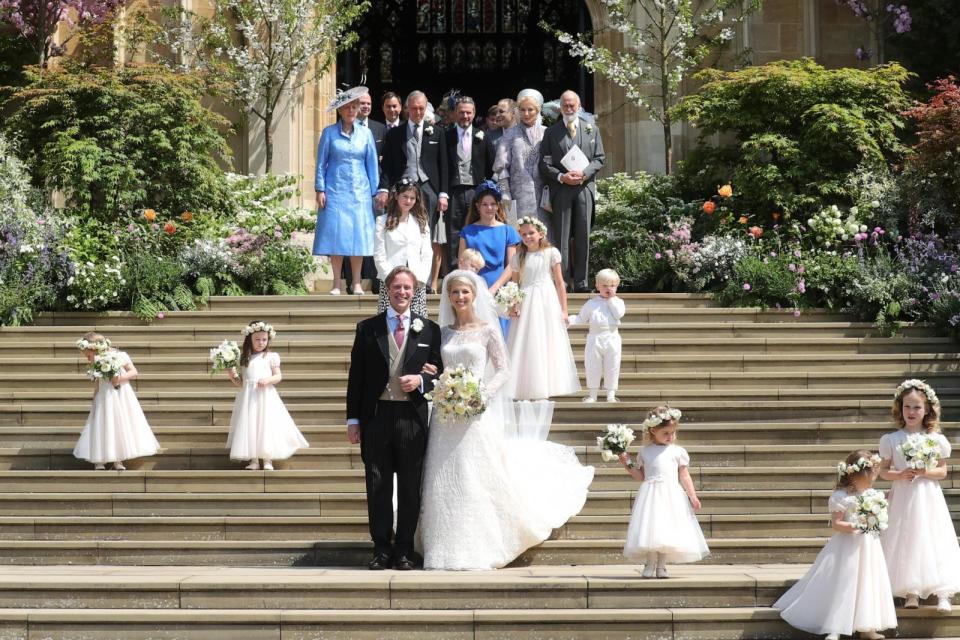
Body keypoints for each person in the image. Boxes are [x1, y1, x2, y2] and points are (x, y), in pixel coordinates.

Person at [417, 270, 594, 570]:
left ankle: (478, 544)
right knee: (442, 475)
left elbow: (503, 368)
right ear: (448, 297)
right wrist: (438, 383)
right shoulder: (441, 333)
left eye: (465, 292)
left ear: (474, 295)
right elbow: (434, 366)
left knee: (475, 474)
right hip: (446, 414)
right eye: (454, 292)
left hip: (475, 410)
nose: (459, 297)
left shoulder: (487, 330)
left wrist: (481, 393)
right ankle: (441, 546)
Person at [346, 266, 443, 570]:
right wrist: (353, 420)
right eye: (397, 287)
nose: (402, 292)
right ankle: (381, 548)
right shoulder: (367, 328)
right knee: (377, 484)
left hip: (411, 417)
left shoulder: (429, 329)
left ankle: (403, 549)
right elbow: (356, 377)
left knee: (410, 486)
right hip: (376, 416)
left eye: (407, 288)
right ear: (386, 291)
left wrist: (422, 382)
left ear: (414, 293)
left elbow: (438, 373)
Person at [774, 450, 897, 640]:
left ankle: (867, 626)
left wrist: (876, 522)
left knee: (868, 582)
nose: (873, 478)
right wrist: (857, 525)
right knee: (844, 583)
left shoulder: (874, 494)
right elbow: (837, 525)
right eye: (870, 474)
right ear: (855, 474)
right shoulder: (841, 496)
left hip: (869, 546)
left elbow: (878, 516)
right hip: (847, 547)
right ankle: (835, 626)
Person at [879, 379, 959, 612]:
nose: (911, 412)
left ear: (927, 410)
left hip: (927, 495)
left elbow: (942, 471)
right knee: (907, 539)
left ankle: (943, 592)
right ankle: (910, 592)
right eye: (907, 406)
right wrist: (900, 474)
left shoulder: (935, 439)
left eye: (917, 407)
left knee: (932, 537)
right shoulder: (892, 440)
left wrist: (925, 471)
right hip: (903, 494)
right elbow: (883, 472)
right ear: (900, 409)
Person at [492, 216, 579, 400]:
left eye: (531, 233)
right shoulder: (518, 257)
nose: (527, 237)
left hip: (546, 300)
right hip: (526, 300)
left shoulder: (550, 253)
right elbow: (514, 285)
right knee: (528, 340)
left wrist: (564, 310)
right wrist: (514, 306)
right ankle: (526, 385)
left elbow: (560, 284)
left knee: (545, 340)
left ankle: (546, 384)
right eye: (523, 234)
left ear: (540, 233)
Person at [619, 407, 708, 578]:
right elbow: (640, 475)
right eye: (666, 433)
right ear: (653, 430)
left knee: (667, 528)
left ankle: (662, 566)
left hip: (670, 494)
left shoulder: (677, 451)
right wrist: (626, 462)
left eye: (673, 433)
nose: (671, 436)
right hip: (651, 494)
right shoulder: (645, 451)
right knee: (651, 528)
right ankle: (649, 564)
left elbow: (684, 475)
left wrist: (692, 495)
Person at [378, 90, 449, 293]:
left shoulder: (436, 132)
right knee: (400, 231)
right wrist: (384, 189)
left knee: (427, 233)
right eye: (414, 108)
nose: (418, 112)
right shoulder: (395, 133)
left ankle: (426, 280)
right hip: (402, 188)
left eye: (421, 108)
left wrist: (443, 193)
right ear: (407, 109)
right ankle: (397, 278)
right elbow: (388, 165)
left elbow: (443, 164)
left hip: (428, 188)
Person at [313, 86, 379, 296]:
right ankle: (336, 283)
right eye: (347, 107)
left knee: (358, 235)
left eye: (354, 107)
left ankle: (357, 282)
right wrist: (319, 189)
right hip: (335, 189)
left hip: (360, 191)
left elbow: (372, 165)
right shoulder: (329, 133)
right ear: (340, 110)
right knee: (336, 235)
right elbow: (321, 163)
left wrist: (375, 192)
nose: (351, 111)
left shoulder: (366, 133)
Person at [539, 90, 606, 292]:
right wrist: (561, 177)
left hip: (584, 188)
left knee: (583, 236)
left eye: (572, 105)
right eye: (565, 105)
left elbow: (600, 158)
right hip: (562, 190)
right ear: (560, 107)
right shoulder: (551, 132)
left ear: (578, 106)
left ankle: (582, 282)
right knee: (562, 237)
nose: (569, 108)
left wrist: (584, 174)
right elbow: (544, 164)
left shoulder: (591, 129)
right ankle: (564, 281)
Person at [225, 321, 308, 470]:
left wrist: (268, 380)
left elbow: (278, 376)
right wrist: (232, 375)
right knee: (251, 426)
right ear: (249, 339)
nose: (261, 342)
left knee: (265, 425)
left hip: (265, 397)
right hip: (249, 398)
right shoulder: (244, 358)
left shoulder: (271, 356)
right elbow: (241, 383)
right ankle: (254, 460)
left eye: (264, 339)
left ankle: (267, 459)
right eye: (257, 339)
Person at [73, 332, 160, 470]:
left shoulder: (120, 355)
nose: (86, 356)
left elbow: (133, 371)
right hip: (104, 394)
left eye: (87, 352)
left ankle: (118, 459)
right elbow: (98, 379)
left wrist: (118, 379)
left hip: (120, 393)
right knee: (102, 423)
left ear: (94, 347)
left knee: (119, 423)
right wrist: (95, 396)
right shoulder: (96, 359)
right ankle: (99, 459)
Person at [443, 96, 495, 270]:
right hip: (454, 190)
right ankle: (453, 271)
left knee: (476, 229)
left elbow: (490, 166)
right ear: (455, 114)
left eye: (468, 112)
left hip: (476, 190)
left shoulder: (483, 136)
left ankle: (477, 268)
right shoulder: (446, 135)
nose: (465, 116)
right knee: (453, 231)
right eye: (461, 112)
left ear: (474, 114)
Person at [373, 179, 432, 316]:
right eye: (405, 196)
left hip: (415, 281)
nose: (409, 201)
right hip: (390, 281)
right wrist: (390, 279)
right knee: (389, 323)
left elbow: (427, 253)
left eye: (412, 198)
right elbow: (379, 253)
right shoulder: (382, 221)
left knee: (416, 325)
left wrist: (420, 278)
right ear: (396, 196)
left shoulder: (421, 223)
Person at [494, 89, 549, 230]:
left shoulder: (547, 133)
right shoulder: (510, 135)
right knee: (518, 237)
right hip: (516, 196)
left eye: (530, 109)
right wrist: (505, 193)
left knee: (544, 236)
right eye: (522, 109)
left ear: (538, 110)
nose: (526, 114)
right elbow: (501, 167)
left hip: (544, 196)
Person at [569, 268, 626, 403]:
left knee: (612, 365)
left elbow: (618, 314)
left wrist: (611, 299)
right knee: (592, 365)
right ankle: (592, 394)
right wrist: (567, 320)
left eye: (612, 285)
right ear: (597, 286)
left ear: (617, 286)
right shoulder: (591, 303)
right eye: (605, 285)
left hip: (612, 337)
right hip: (595, 337)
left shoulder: (618, 302)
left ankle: (611, 394)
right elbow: (580, 318)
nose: (608, 288)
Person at [357, 90, 387, 157]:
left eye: (369, 104)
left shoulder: (381, 128)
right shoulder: (347, 126)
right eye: (362, 103)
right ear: (354, 105)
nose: (366, 106)